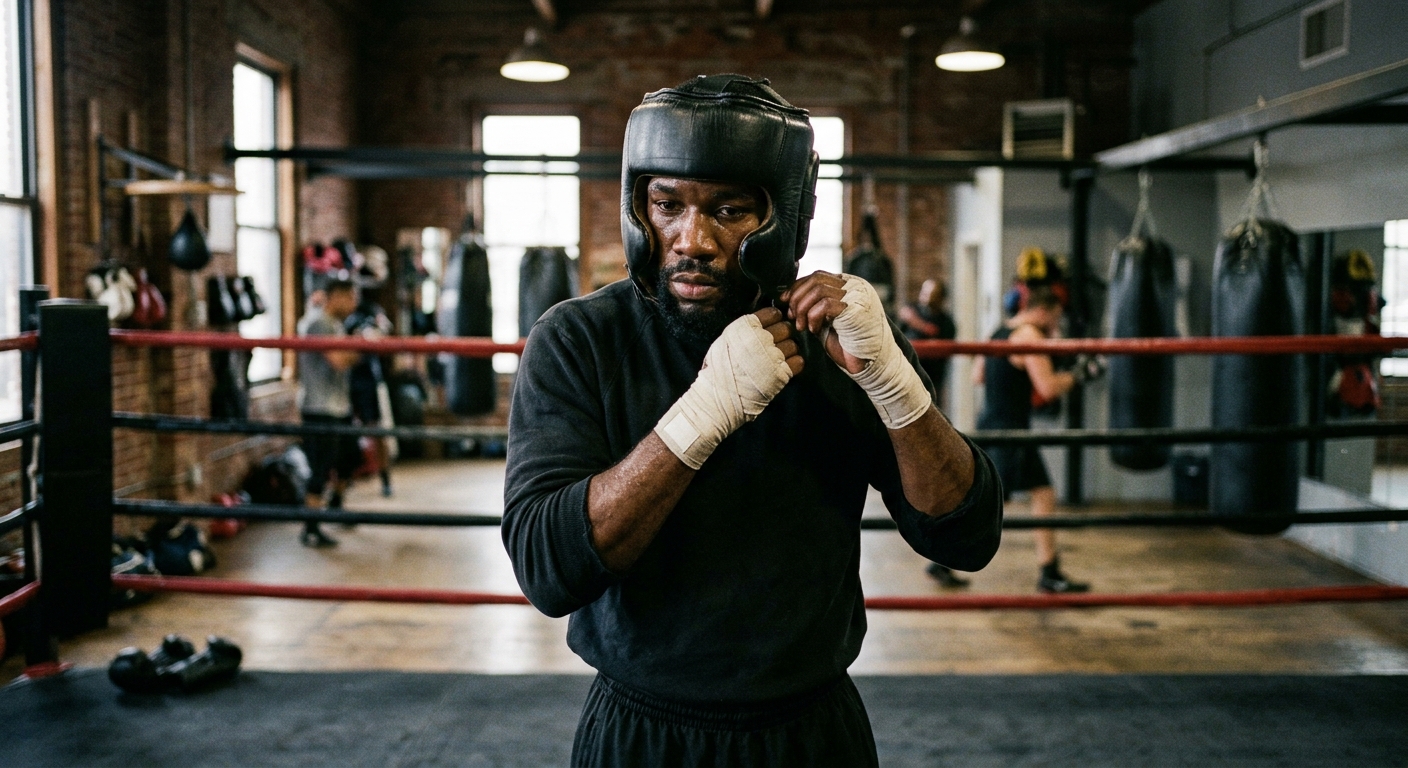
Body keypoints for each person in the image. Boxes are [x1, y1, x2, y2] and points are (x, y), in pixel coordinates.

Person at [502, 74, 1003, 767]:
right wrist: (700, 417)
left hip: (809, 731)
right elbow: (548, 569)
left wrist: (892, 386)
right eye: (666, 204)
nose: (692, 240)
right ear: (636, 208)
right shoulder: (579, 340)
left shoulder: (839, 338)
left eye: (731, 210)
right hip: (640, 732)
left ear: (786, 217)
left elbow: (966, 536)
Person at [976, 285, 1101, 593]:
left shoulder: (999, 332)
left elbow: (977, 375)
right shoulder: (1030, 336)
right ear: (1042, 311)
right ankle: (939, 559)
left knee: (1040, 494)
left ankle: (1050, 571)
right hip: (1011, 431)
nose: (1056, 327)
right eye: (1055, 318)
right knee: (992, 505)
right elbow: (1046, 389)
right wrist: (1082, 374)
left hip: (994, 423)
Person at [899, 278, 967, 588]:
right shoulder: (912, 311)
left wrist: (914, 321)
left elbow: (935, 337)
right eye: (924, 292)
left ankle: (942, 557)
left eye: (933, 294)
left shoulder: (946, 322)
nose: (927, 298)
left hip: (929, 400)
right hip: (897, 399)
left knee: (946, 484)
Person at [296, 278, 363, 547]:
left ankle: (335, 504)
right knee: (320, 470)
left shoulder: (335, 325)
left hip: (337, 407)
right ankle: (310, 529)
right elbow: (338, 361)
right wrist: (365, 345)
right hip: (319, 409)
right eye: (349, 298)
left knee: (350, 458)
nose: (353, 304)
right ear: (334, 297)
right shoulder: (319, 324)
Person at [345, 293, 394, 497]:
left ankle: (385, 479)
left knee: (375, 429)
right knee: (346, 433)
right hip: (345, 379)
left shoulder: (370, 310)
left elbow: (385, 330)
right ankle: (344, 480)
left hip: (368, 380)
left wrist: (371, 334)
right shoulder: (340, 317)